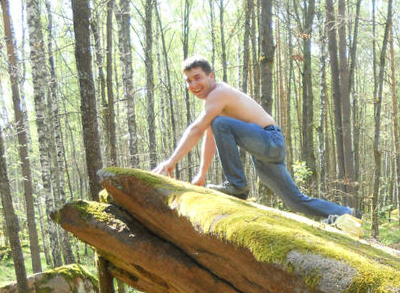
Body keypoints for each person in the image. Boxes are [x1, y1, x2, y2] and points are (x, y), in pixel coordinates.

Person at [152, 56, 357, 222]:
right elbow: (209, 134)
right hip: (265, 150)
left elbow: (197, 128)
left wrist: (171, 162)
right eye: (188, 81)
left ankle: (237, 186)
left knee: (218, 124)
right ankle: (346, 213)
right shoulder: (215, 103)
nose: (193, 84)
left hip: (270, 140)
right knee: (295, 201)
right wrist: (201, 174)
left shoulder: (219, 93)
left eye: (197, 77)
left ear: (211, 76)